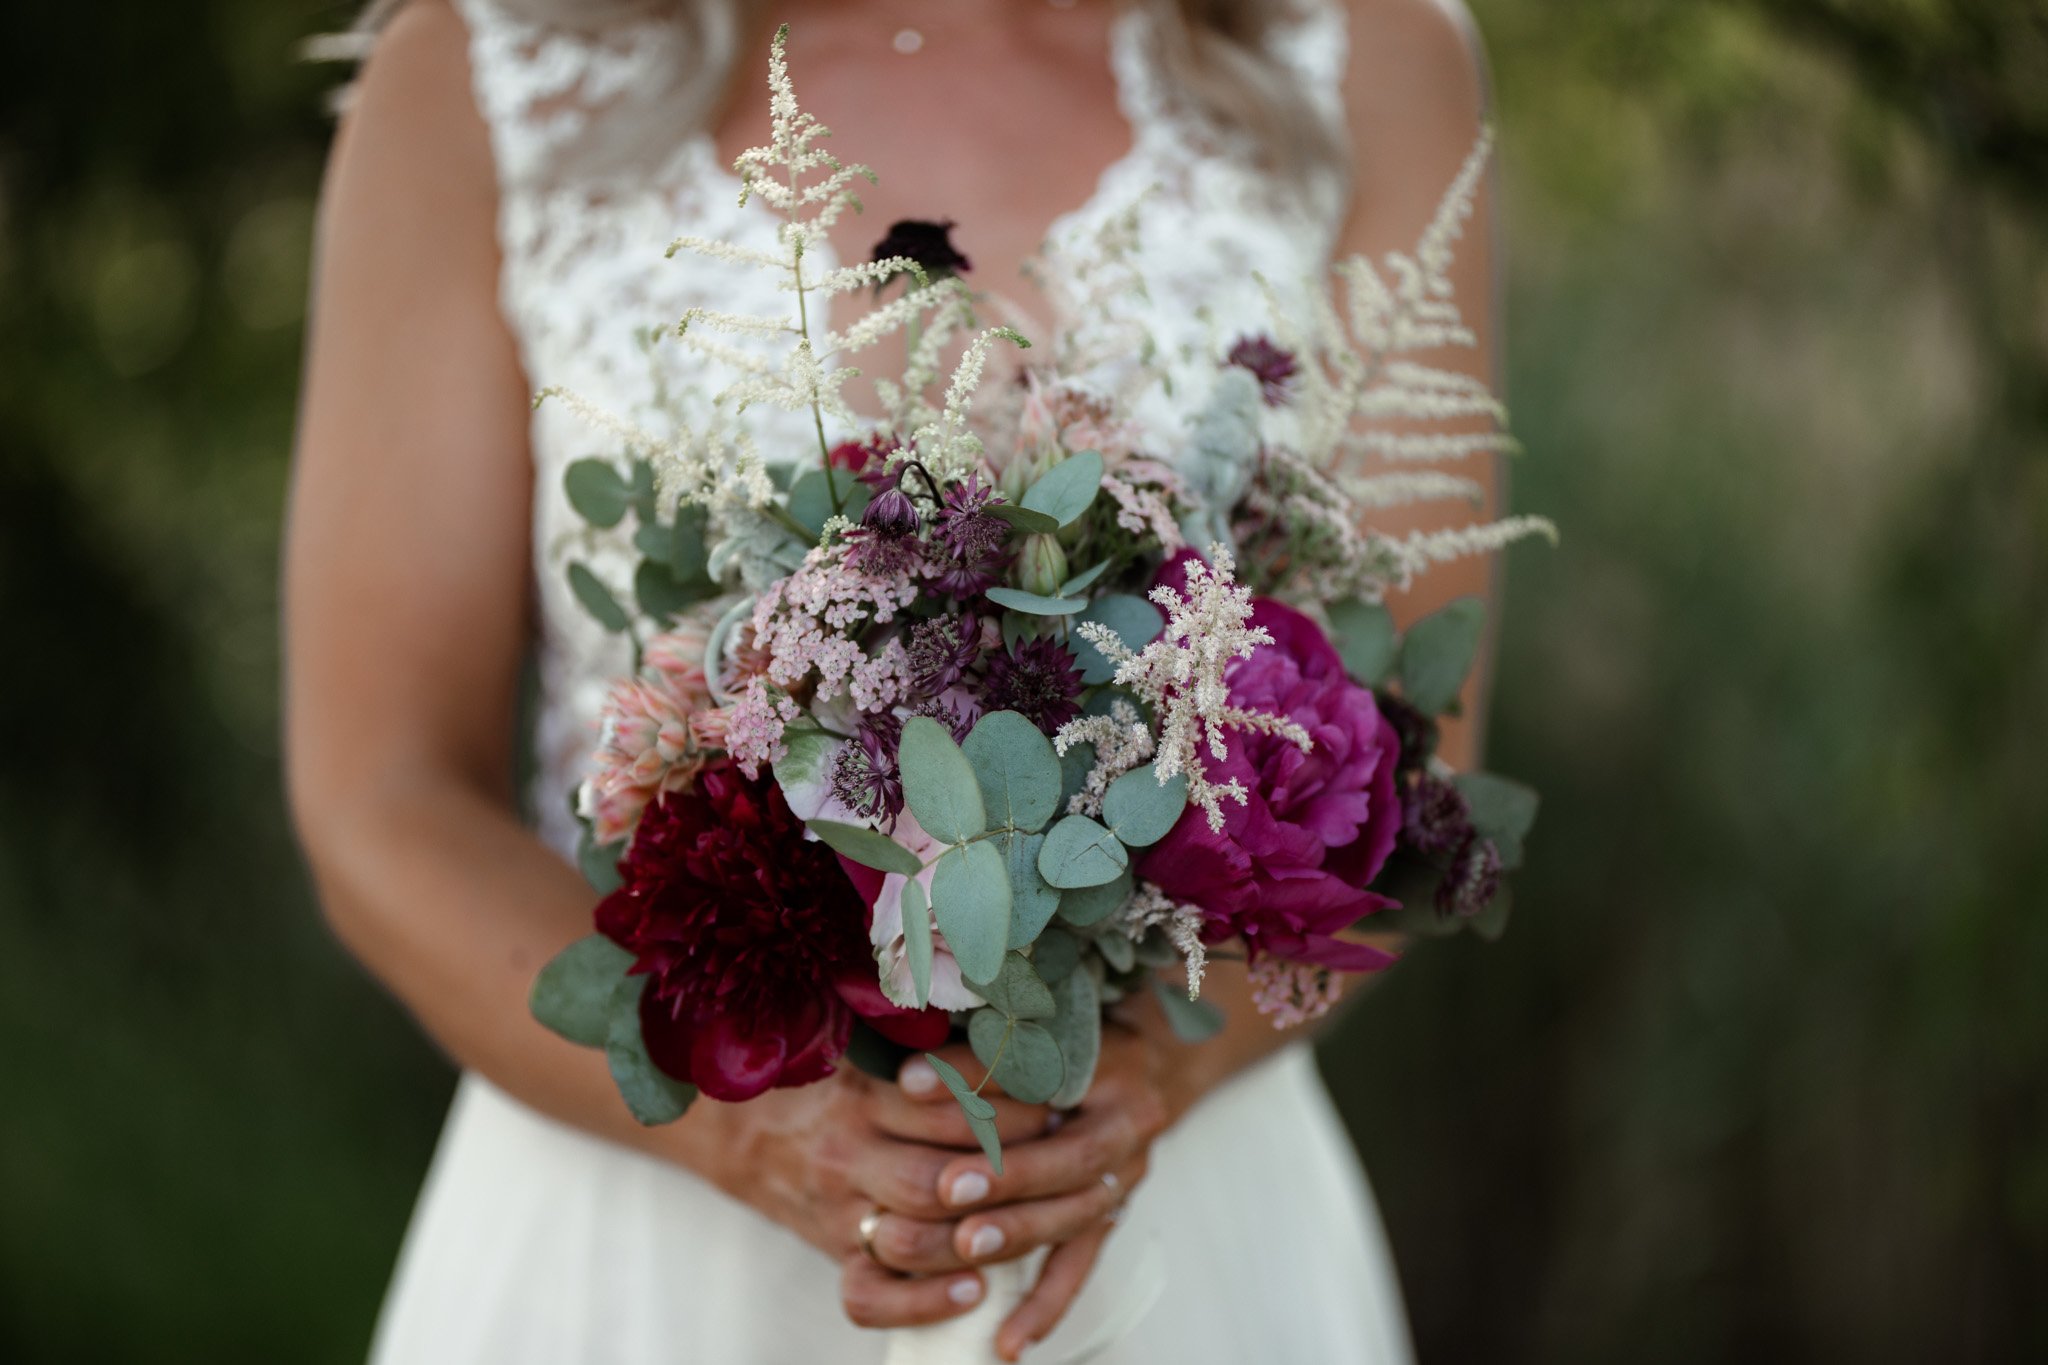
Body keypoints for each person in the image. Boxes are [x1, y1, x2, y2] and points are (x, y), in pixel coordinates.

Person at [284, 0, 1499, 1359]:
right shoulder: (480, 76)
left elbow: (1408, 754)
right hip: (643, 1247)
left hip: (1169, 1233)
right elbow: (382, 789)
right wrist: (754, 1130)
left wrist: (1148, 1072)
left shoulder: (1365, 53)